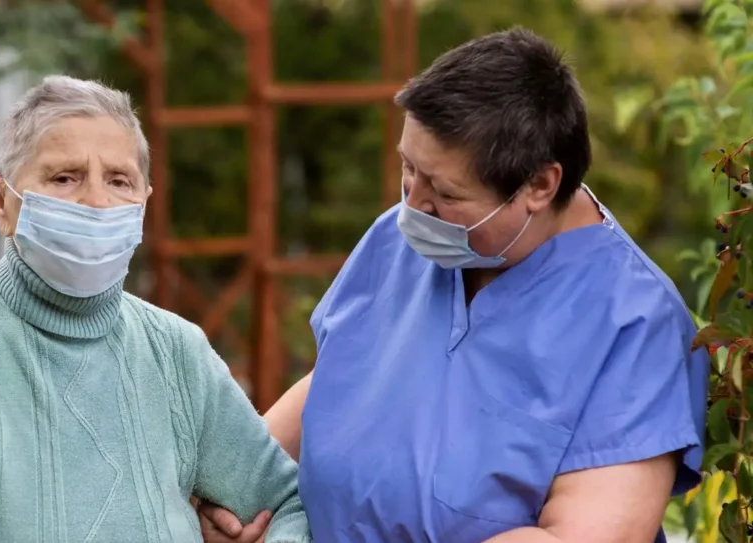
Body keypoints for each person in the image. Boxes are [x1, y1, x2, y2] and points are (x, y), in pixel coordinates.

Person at [199, 28, 709, 543]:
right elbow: (343, 381)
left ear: (538, 185)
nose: (413, 204)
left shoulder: (635, 324)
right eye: (407, 167)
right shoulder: (403, 238)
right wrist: (238, 491)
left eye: (443, 190)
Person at [0, 76, 311, 543]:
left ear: (144, 202)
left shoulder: (176, 352)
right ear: (1, 202)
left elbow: (287, 500)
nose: (96, 201)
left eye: (120, 180)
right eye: (64, 177)